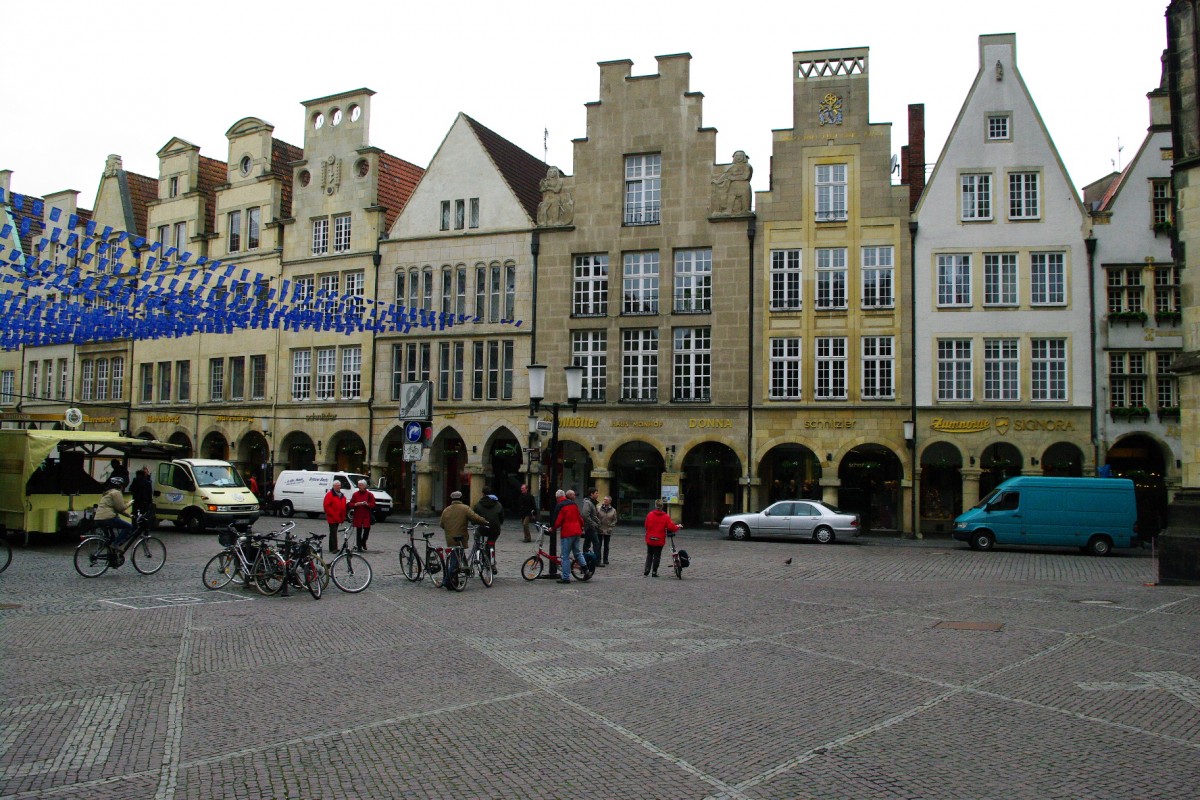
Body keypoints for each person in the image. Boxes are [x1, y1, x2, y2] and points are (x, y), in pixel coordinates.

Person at [553, 491, 586, 583]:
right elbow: (580, 517)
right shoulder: (573, 504)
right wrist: (581, 526)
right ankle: (585, 569)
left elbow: (558, 520)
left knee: (565, 556)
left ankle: (565, 577)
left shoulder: (560, 506)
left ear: (557, 498)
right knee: (577, 552)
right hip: (577, 531)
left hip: (567, 532)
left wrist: (553, 528)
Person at [643, 499, 680, 577]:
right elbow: (671, 527)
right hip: (659, 539)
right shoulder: (665, 516)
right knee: (657, 556)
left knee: (649, 554)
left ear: (655, 505)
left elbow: (646, 526)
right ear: (662, 506)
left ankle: (647, 569)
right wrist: (678, 526)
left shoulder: (650, 514)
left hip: (650, 538)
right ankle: (654, 572)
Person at [94, 476, 134, 546]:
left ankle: (111, 553)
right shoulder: (116, 493)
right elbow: (121, 508)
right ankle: (115, 544)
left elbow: (117, 509)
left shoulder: (108, 492)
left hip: (99, 518)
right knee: (128, 527)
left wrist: (129, 515)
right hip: (108, 518)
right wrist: (129, 503)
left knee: (110, 539)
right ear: (120, 485)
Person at [473, 487, 504, 571]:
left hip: (483, 528)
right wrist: (499, 523)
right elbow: (501, 518)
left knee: (477, 535)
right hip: (495, 529)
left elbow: (474, 517)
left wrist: (474, 523)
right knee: (491, 542)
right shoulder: (498, 504)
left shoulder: (478, 504)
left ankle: (478, 550)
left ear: (483, 494)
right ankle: (492, 563)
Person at [349, 479, 376, 551]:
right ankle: (359, 546)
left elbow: (373, 504)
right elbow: (350, 504)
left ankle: (363, 542)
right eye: (359, 485)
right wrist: (355, 504)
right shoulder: (355, 494)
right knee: (359, 531)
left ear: (364, 486)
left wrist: (367, 504)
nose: (359, 487)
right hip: (358, 515)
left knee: (366, 530)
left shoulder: (369, 494)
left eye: (361, 485)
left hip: (366, 515)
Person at [323, 481, 348, 551]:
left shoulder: (342, 496)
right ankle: (334, 548)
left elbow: (343, 507)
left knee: (333, 532)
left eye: (339, 485)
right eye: (337, 485)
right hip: (332, 517)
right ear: (334, 486)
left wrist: (343, 516)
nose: (339, 487)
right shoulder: (329, 495)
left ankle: (332, 547)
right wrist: (333, 514)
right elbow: (326, 506)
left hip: (338, 517)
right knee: (333, 532)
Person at [581, 487, 603, 563]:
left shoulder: (592, 502)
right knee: (596, 543)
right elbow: (585, 514)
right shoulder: (588, 502)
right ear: (591, 494)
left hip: (591, 526)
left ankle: (585, 559)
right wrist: (593, 524)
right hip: (590, 527)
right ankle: (596, 560)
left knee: (587, 543)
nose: (597, 495)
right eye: (596, 493)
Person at [597, 495, 618, 567]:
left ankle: (605, 559)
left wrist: (611, 526)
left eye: (606, 500)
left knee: (606, 545)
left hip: (608, 530)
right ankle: (598, 559)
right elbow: (596, 517)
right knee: (598, 545)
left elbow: (614, 520)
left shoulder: (613, 510)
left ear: (610, 501)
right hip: (600, 529)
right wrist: (598, 525)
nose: (604, 501)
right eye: (604, 499)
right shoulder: (599, 508)